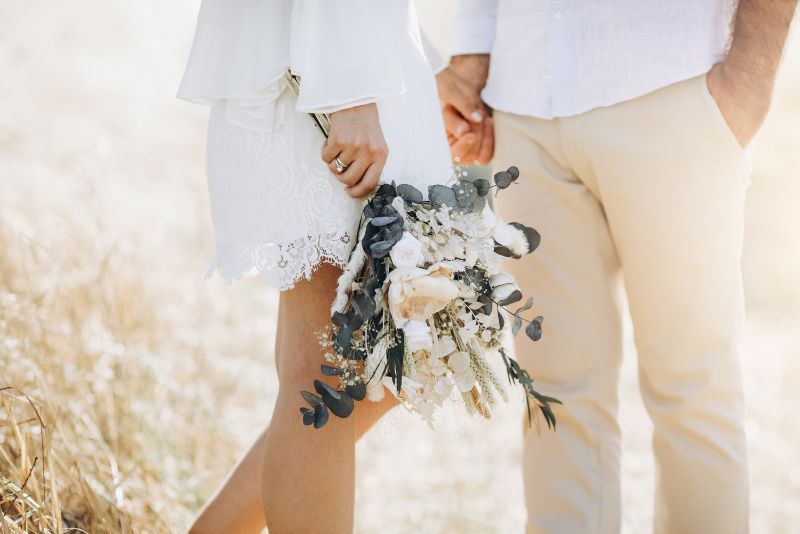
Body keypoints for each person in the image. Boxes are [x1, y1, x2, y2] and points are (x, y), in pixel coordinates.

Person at [437, 1, 797, 532]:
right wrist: (471, 60)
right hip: (526, 97)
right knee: (556, 392)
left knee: (693, 386)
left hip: (672, 84)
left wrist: (751, 76)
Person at [177, 1, 454, 532]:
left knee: (374, 359)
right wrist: (348, 91)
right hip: (333, 81)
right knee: (329, 370)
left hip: (365, 62)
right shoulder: (345, 86)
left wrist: (429, 63)